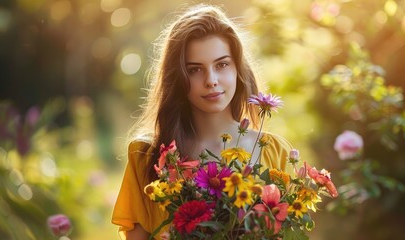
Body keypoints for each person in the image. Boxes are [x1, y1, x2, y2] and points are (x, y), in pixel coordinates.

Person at [111, 4, 292, 240]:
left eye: (222, 64)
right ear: (177, 77)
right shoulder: (146, 156)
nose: (211, 80)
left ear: (238, 68)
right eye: (195, 70)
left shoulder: (276, 153)